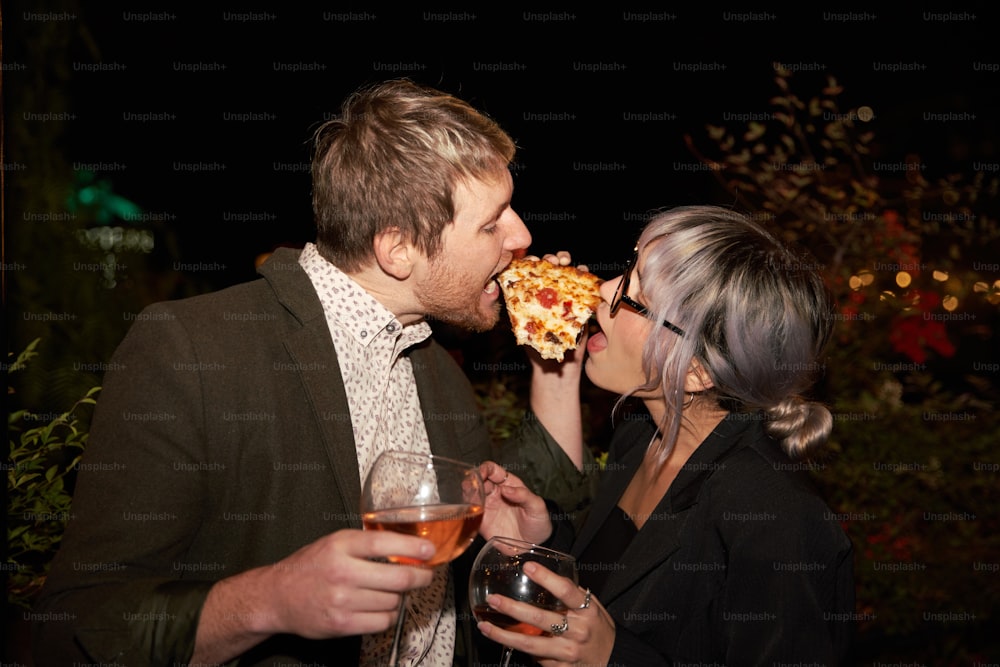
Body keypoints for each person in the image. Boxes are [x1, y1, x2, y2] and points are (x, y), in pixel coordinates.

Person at [31, 79, 585, 667]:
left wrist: (498, 541)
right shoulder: (191, 350)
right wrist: (267, 600)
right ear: (397, 249)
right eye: (492, 222)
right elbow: (76, 627)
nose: (522, 236)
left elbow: (458, 568)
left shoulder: (433, 368)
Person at [477, 205, 857, 666]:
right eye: (627, 271)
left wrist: (613, 658)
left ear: (696, 369)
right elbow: (614, 583)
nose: (601, 289)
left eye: (636, 299)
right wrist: (545, 541)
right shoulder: (641, 439)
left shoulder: (776, 517)